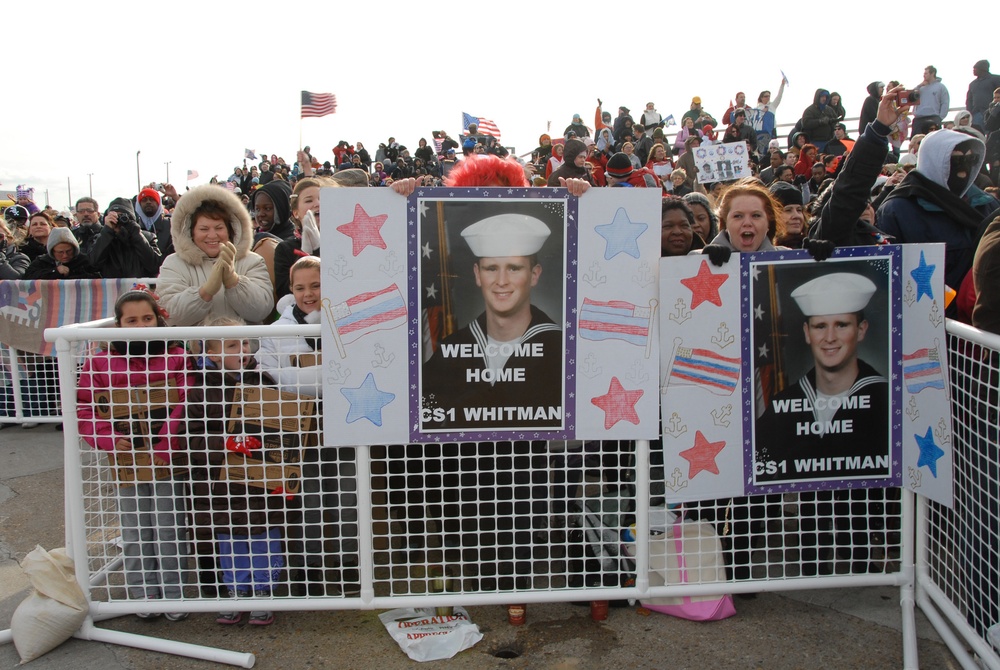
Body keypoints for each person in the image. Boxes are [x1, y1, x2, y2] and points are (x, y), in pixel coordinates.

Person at [76, 288, 191, 619]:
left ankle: (176, 593)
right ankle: (143, 592)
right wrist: (108, 437)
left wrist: (168, 440)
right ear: (118, 324)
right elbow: (85, 406)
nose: (140, 325)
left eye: (147, 318)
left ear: (158, 320)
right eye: (131, 320)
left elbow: (189, 401)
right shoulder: (99, 361)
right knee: (134, 523)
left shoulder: (177, 355)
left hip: (166, 457)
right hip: (125, 459)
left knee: (170, 523)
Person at [421, 212, 562, 430]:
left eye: (514, 268)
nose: (502, 281)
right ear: (478, 275)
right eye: (491, 269)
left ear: (534, 275)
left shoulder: (562, 350)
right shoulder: (451, 350)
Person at [185, 319, 284, 626]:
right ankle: (236, 590)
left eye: (244, 344)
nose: (242, 351)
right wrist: (226, 442)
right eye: (231, 346)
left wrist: (267, 449)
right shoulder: (201, 388)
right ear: (212, 354)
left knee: (263, 535)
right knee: (229, 539)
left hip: (258, 483)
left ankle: (263, 591)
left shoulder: (263, 380)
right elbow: (191, 438)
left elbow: (285, 427)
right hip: (220, 485)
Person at [877, 129, 1000, 291]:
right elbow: (890, 277)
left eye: (971, 159)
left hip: (984, 309)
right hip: (932, 310)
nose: (963, 170)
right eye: (956, 161)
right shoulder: (898, 210)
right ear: (934, 161)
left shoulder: (988, 205)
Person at [158, 184, 274, 326]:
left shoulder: (252, 261)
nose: (212, 235)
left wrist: (233, 281)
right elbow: (170, 313)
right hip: (196, 348)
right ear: (191, 232)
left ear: (231, 230)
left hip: (245, 347)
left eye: (219, 228)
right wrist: (205, 292)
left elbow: (262, 310)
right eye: (204, 229)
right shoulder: (174, 264)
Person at [256, 257, 324, 398]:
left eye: (316, 286)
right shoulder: (275, 332)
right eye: (300, 288)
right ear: (291, 289)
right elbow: (264, 378)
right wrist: (323, 377)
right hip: (298, 416)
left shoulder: (348, 325)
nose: (308, 293)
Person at [273, 178, 330, 300]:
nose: (317, 204)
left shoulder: (342, 242)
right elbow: (283, 293)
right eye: (309, 200)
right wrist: (305, 255)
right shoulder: (284, 249)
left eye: (321, 199)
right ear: (296, 213)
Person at [89, 197, 163, 279]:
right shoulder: (101, 238)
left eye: (123, 216)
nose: (118, 221)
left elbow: (155, 266)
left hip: (141, 289)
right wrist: (107, 231)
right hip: (113, 289)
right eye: (114, 216)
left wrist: (136, 234)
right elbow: (93, 264)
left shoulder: (148, 237)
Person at [23, 227, 100, 280]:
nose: (65, 255)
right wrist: (54, 271)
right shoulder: (42, 261)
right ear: (52, 251)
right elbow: (27, 278)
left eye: (69, 251)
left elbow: (97, 276)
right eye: (60, 252)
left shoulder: (85, 261)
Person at [912, 65, 950, 137]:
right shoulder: (920, 88)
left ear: (932, 73)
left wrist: (940, 117)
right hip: (919, 118)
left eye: (926, 73)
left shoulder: (941, 87)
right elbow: (911, 96)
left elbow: (945, 103)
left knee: (934, 139)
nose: (924, 75)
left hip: (933, 117)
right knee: (916, 140)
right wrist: (919, 85)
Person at [136, 187, 173, 256]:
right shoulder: (135, 228)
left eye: (152, 199)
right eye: (144, 200)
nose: (148, 202)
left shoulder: (171, 225)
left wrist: (175, 196)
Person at [967, 60, 1000, 130]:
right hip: (976, 114)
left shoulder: (996, 79)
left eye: (975, 68)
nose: (973, 70)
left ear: (982, 69)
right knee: (978, 135)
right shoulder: (972, 84)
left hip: (993, 113)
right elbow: (969, 100)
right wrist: (970, 112)